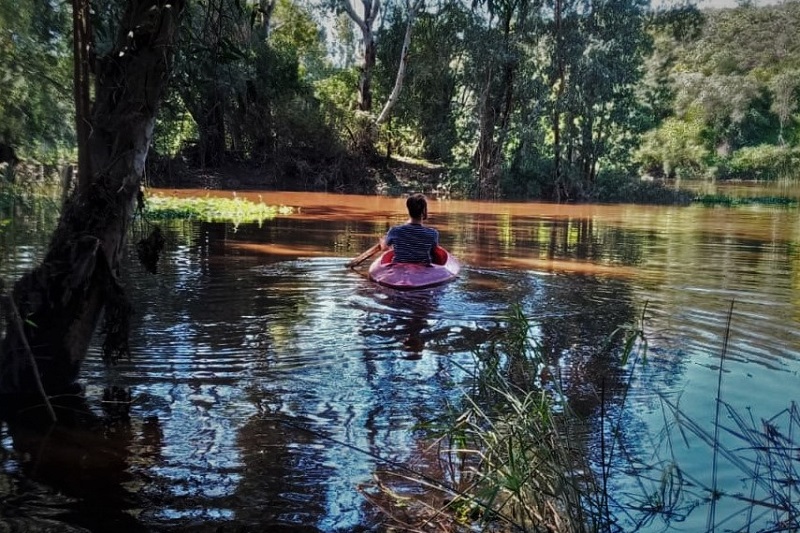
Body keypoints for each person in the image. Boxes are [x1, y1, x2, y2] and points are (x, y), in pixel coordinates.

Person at [380, 193, 441, 264]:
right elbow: (435, 251)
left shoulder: (395, 231)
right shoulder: (433, 233)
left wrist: (383, 241)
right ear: (424, 211)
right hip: (423, 270)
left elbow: (384, 248)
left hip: (398, 269)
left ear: (408, 210)